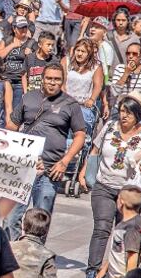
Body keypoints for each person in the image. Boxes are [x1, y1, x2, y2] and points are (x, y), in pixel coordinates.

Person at [80, 94, 141, 278]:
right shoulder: (109, 127)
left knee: (124, 232)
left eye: (129, 113)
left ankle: (114, 270)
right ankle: (92, 271)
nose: (123, 116)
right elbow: (95, 149)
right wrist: (85, 171)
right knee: (102, 227)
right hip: (104, 186)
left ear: (138, 116)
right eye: (122, 111)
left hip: (131, 193)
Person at [6, 63, 86, 239]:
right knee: (12, 218)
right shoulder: (28, 98)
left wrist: (65, 161)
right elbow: (12, 126)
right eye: (49, 78)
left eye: (57, 79)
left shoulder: (70, 104)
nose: (52, 83)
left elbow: (80, 135)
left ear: (62, 81)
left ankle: (35, 256)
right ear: (42, 79)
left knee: (40, 220)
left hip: (51, 170)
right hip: (24, 167)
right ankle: (14, 254)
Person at [85, 185, 141, 278]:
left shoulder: (132, 228)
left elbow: (132, 257)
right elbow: (117, 249)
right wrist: (104, 269)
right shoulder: (124, 224)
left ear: (121, 202)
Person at [61, 38, 103, 138]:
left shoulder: (96, 67)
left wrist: (92, 99)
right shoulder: (66, 61)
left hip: (84, 106)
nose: (79, 54)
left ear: (89, 53)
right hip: (67, 104)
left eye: (83, 51)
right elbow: (62, 82)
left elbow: (98, 85)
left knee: (82, 136)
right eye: (78, 50)